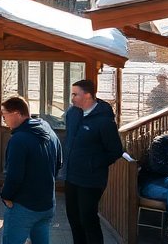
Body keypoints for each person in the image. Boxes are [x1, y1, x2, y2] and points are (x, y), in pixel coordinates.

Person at [62, 79, 122, 244]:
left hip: (91, 180)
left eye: (75, 94)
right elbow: (69, 140)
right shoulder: (72, 113)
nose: (72, 97)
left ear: (87, 95)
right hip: (71, 176)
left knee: (87, 219)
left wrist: (92, 163)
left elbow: (115, 151)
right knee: (73, 218)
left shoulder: (104, 120)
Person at [0, 96, 61, 244]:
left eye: (4, 114)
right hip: (47, 204)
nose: (3, 119)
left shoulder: (18, 140)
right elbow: (59, 162)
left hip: (23, 207)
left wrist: (6, 196)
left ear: (16, 114)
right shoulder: (47, 129)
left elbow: (14, 175)